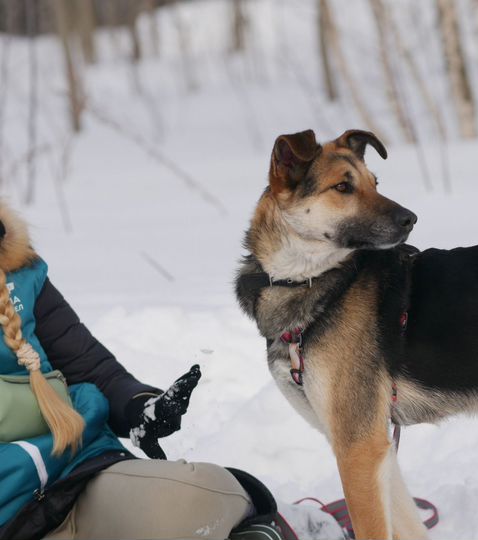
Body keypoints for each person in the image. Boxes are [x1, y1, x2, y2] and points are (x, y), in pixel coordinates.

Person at [0, 203, 275, 540]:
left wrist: (139, 407)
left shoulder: (18, 276)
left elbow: (93, 370)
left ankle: (254, 525)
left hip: (77, 482)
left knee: (197, 494)